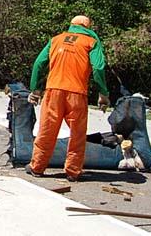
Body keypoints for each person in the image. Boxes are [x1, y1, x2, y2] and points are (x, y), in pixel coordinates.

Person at [25, 15, 111, 182]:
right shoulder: (91, 42)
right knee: (77, 134)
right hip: (76, 93)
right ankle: (73, 171)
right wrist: (103, 93)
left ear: (72, 25)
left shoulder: (55, 40)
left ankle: (37, 167)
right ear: (88, 27)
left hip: (53, 91)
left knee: (47, 129)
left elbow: (38, 63)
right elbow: (99, 67)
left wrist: (35, 89)